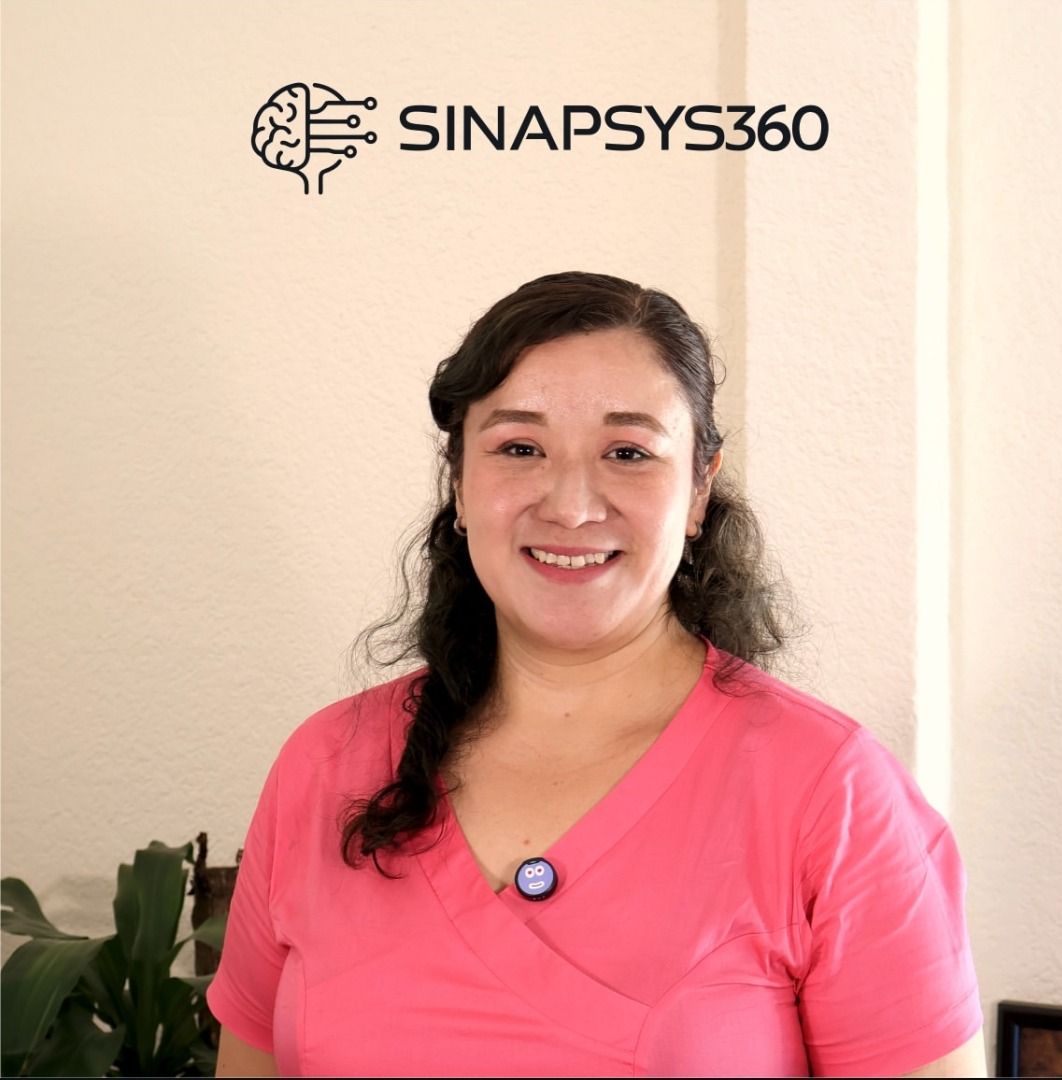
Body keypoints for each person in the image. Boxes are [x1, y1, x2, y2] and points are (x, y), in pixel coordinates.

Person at [207, 271, 986, 1078]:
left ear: (699, 490)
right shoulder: (325, 765)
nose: (571, 506)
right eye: (520, 448)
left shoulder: (833, 796)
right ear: (459, 484)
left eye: (628, 453)